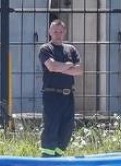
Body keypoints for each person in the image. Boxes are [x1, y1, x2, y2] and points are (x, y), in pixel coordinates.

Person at [38, 19, 83, 157]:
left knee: (67, 128)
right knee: (51, 126)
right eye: (55, 31)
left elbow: (80, 70)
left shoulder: (71, 49)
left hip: (68, 95)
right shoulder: (46, 49)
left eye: (60, 31)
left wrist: (60, 68)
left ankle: (58, 157)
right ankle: (47, 159)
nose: (58, 34)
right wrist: (69, 65)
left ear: (64, 32)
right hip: (52, 94)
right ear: (50, 32)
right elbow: (51, 66)